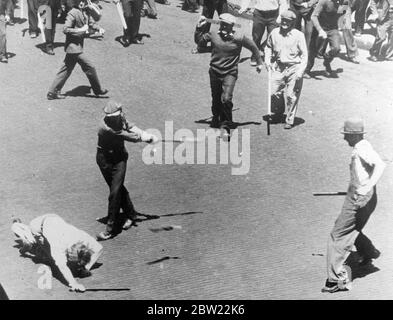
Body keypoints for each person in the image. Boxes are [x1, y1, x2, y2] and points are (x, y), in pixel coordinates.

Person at [322, 117, 386, 293]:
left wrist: (366, 186)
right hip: (360, 196)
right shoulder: (363, 145)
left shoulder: (362, 149)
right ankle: (368, 251)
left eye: (346, 135)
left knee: (338, 236)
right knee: (351, 228)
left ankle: (336, 280)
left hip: (359, 198)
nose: (344, 139)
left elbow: (380, 165)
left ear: (355, 135)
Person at [96, 100, 159, 241]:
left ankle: (110, 229)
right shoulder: (105, 128)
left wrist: (145, 134)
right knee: (117, 189)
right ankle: (131, 214)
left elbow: (130, 126)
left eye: (118, 115)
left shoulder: (120, 117)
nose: (116, 118)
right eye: (113, 117)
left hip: (119, 159)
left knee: (115, 192)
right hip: (104, 160)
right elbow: (126, 135)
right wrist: (147, 139)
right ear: (107, 116)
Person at [194, 13, 263, 132]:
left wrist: (259, 62)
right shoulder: (213, 34)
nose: (224, 27)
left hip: (230, 72)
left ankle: (226, 123)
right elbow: (199, 41)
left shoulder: (239, 37)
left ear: (233, 26)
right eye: (223, 25)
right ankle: (216, 116)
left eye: (228, 25)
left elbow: (253, 47)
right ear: (220, 24)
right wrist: (199, 28)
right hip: (214, 71)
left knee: (226, 98)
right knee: (216, 97)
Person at [11, 214, 103, 292]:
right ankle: (16, 225)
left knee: (57, 258)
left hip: (54, 220)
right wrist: (74, 283)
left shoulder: (80, 236)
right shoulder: (58, 246)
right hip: (38, 226)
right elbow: (62, 266)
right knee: (36, 247)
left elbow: (99, 249)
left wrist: (86, 268)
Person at [47, 0, 108, 100]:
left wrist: (99, 28)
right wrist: (80, 30)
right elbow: (65, 29)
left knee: (66, 70)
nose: (81, 3)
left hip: (77, 47)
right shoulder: (73, 13)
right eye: (79, 1)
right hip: (73, 47)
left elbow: (91, 23)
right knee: (90, 67)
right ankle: (98, 90)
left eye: (83, 1)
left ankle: (52, 92)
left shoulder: (86, 11)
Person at [265, 10, 308, 129]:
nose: (285, 23)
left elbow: (305, 55)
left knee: (291, 96)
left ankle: (289, 119)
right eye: (283, 20)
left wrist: (300, 71)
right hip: (279, 67)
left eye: (288, 21)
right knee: (273, 92)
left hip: (294, 68)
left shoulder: (299, 35)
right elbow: (268, 47)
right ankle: (279, 113)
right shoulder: (274, 33)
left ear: (292, 23)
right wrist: (267, 60)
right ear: (280, 20)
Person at [239, 0, 288, 66]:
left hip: (273, 15)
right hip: (259, 14)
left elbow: (283, 2)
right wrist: (243, 7)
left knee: (272, 36)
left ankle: (263, 50)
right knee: (256, 37)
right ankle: (255, 56)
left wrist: (281, 15)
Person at [309, 0, 347, 77]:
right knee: (313, 51)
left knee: (336, 48)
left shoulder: (344, 3)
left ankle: (327, 61)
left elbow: (341, 15)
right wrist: (319, 30)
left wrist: (340, 25)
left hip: (333, 29)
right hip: (320, 28)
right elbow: (313, 16)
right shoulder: (324, 1)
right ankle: (306, 70)